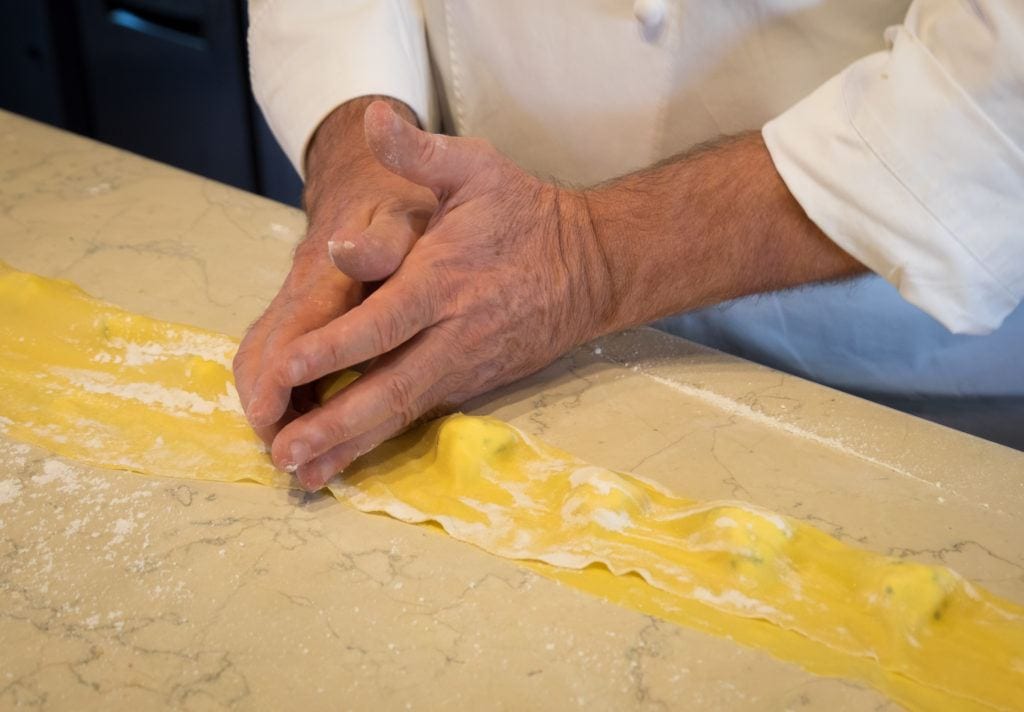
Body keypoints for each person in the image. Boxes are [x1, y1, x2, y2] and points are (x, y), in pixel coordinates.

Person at [236, 0, 1024, 491]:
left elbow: (999, 85)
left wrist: (589, 260)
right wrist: (369, 157)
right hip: (484, 330)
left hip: (887, 373)